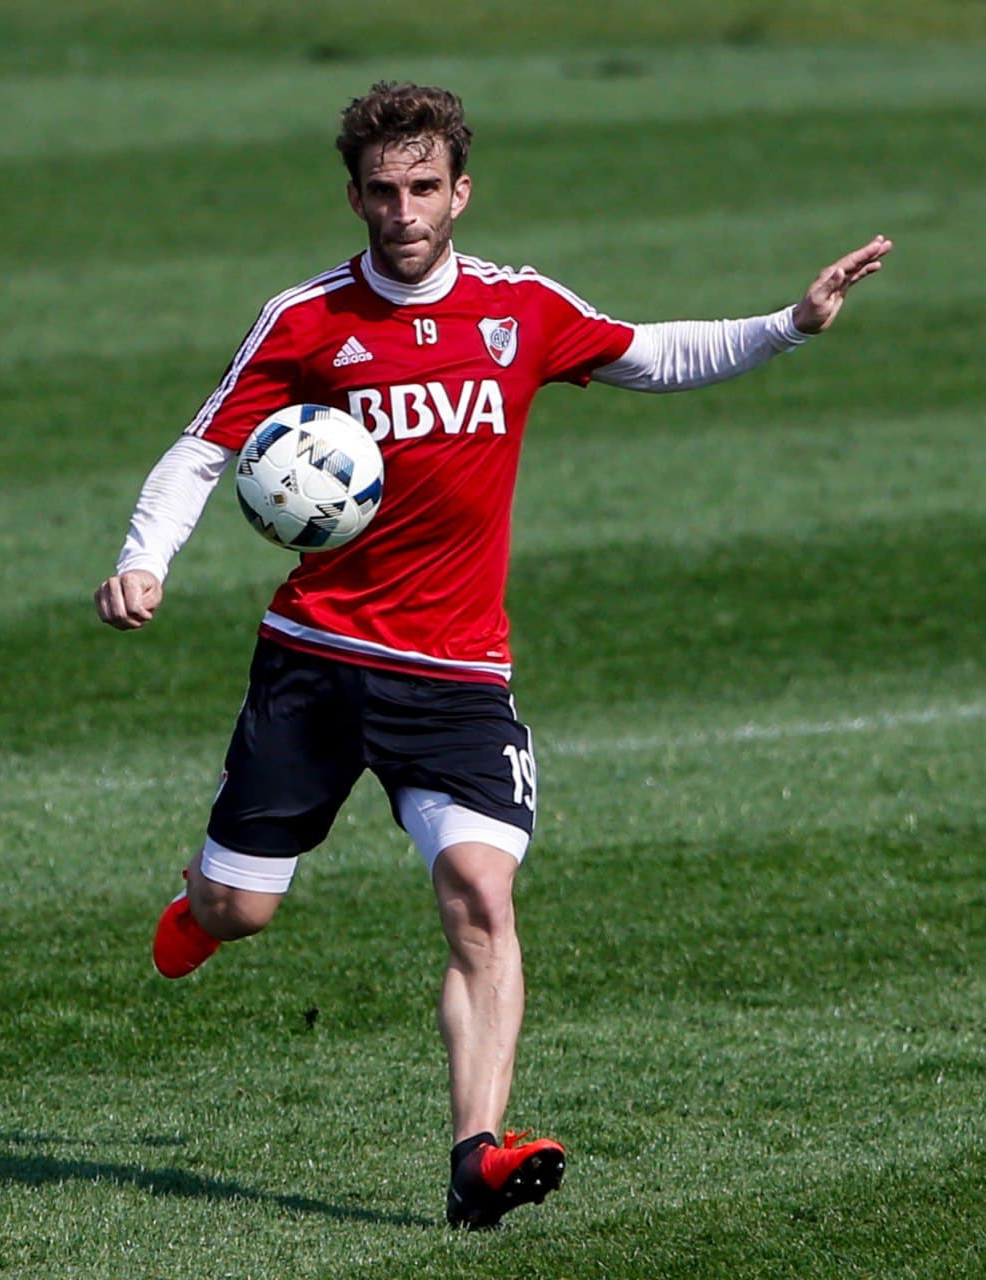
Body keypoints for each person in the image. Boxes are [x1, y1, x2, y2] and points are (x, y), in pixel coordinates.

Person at [94, 81, 891, 1229]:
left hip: (459, 677)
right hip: (317, 663)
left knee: (479, 899)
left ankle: (476, 1158)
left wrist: (787, 323)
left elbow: (646, 352)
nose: (404, 209)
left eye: (424, 187)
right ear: (356, 196)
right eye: (382, 189)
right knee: (237, 912)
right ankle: (198, 903)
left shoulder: (517, 309)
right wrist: (145, 556)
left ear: (459, 192)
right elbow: (203, 447)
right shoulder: (307, 321)